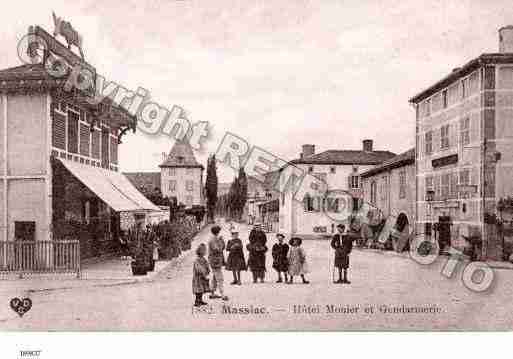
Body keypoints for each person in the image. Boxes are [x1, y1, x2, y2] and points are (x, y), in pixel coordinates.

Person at [208, 225, 229, 300]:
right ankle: (222, 294)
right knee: (220, 278)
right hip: (215, 261)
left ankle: (212, 293)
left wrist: (221, 241)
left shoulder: (215, 239)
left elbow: (223, 247)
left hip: (216, 261)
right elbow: (218, 249)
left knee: (215, 277)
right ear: (217, 232)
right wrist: (220, 241)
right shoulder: (212, 240)